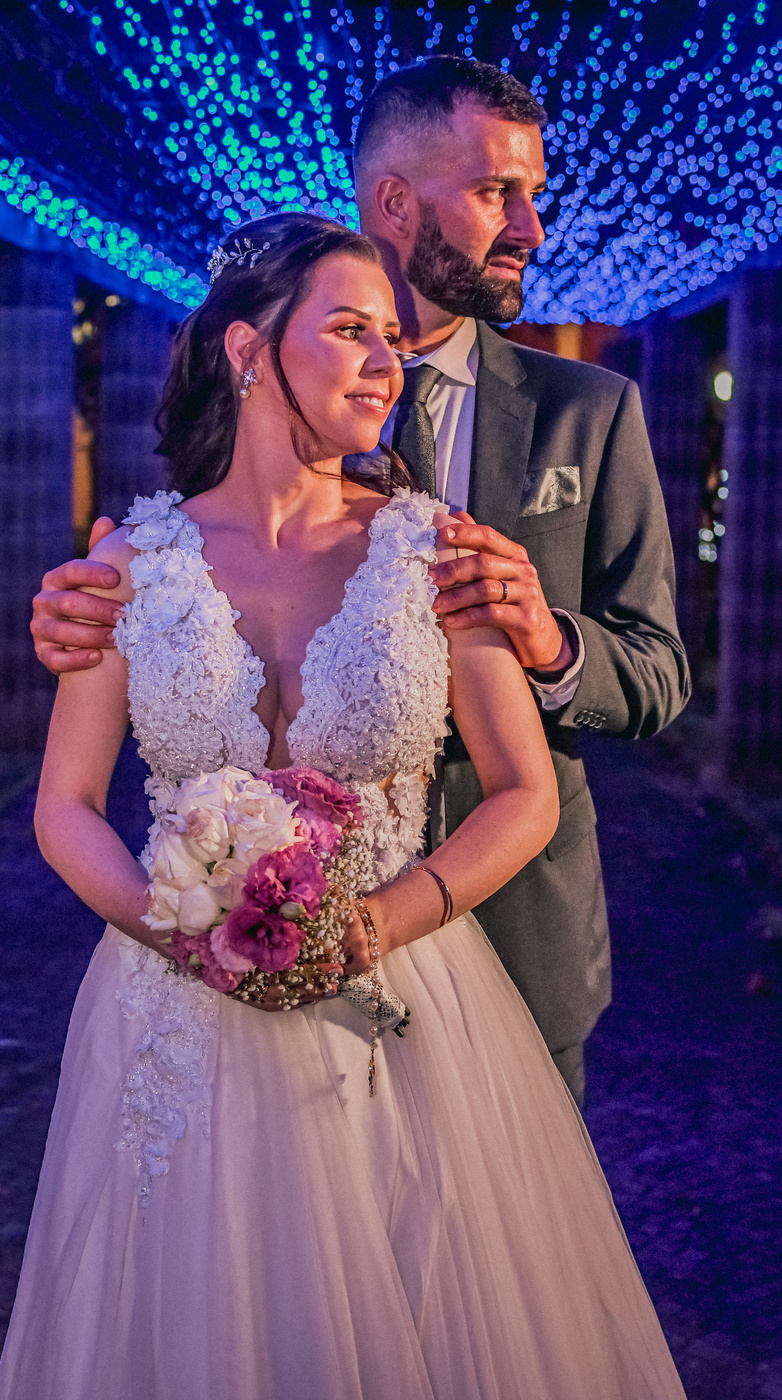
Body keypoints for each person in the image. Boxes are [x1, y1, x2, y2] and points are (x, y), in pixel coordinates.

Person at [1, 214, 686, 1400]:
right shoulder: (129, 564)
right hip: (173, 1013)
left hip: (399, 987)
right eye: (352, 331)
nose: (386, 361)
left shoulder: (433, 553)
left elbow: (524, 793)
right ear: (249, 349)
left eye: (391, 338)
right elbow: (63, 804)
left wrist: (379, 920)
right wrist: (175, 929)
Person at [30, 57, 690, 1104]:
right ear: (395, 200)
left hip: (506, 934)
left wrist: (547, 639)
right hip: (209, 988)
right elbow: (87, 767)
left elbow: (658, 670)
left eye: (534, 194)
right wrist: (193, 922)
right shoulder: (164, 538)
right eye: (496, 192)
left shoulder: (587, 415)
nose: (532, 227)